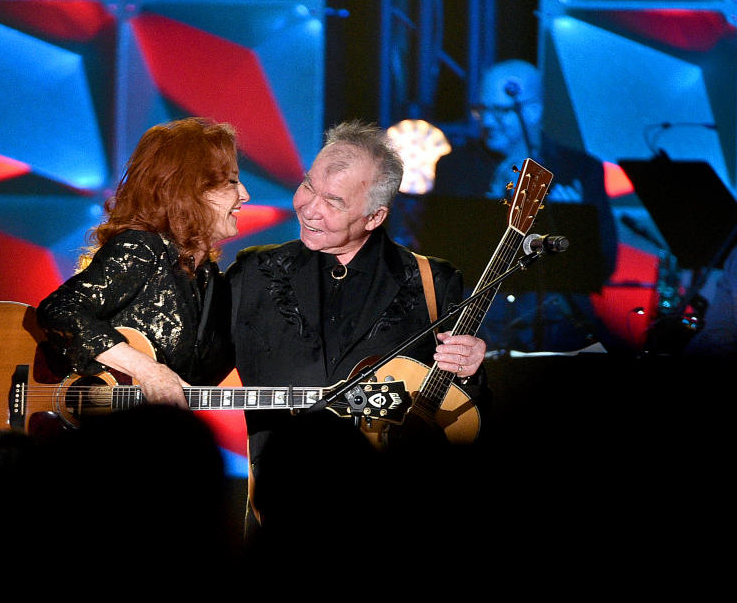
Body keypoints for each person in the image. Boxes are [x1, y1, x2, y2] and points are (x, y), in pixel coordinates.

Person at [227, 121, 488, 529]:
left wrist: (471, 369)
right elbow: (187, 364)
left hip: (389, 516)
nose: (310, 208)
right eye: (308, 186)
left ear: (374, 216)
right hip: (279, 516)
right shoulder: (255, 273)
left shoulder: (433, 283)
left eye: (333, 201)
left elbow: (463, 417)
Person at [36, 117, 249, 407]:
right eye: (232, 182)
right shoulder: (144, 247)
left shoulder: (207, 279)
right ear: (189, 190)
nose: (245, 195)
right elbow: (60, 309)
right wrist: (148, 370)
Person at [426, 59, 619, 353]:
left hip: (556, 326)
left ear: (534, 111)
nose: (488, 122)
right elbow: (439, 257)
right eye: (482, 110)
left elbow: (604, 262)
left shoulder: (578, 169)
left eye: (501, 111)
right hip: (478, 326)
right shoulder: (456, 167)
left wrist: (573, 226)